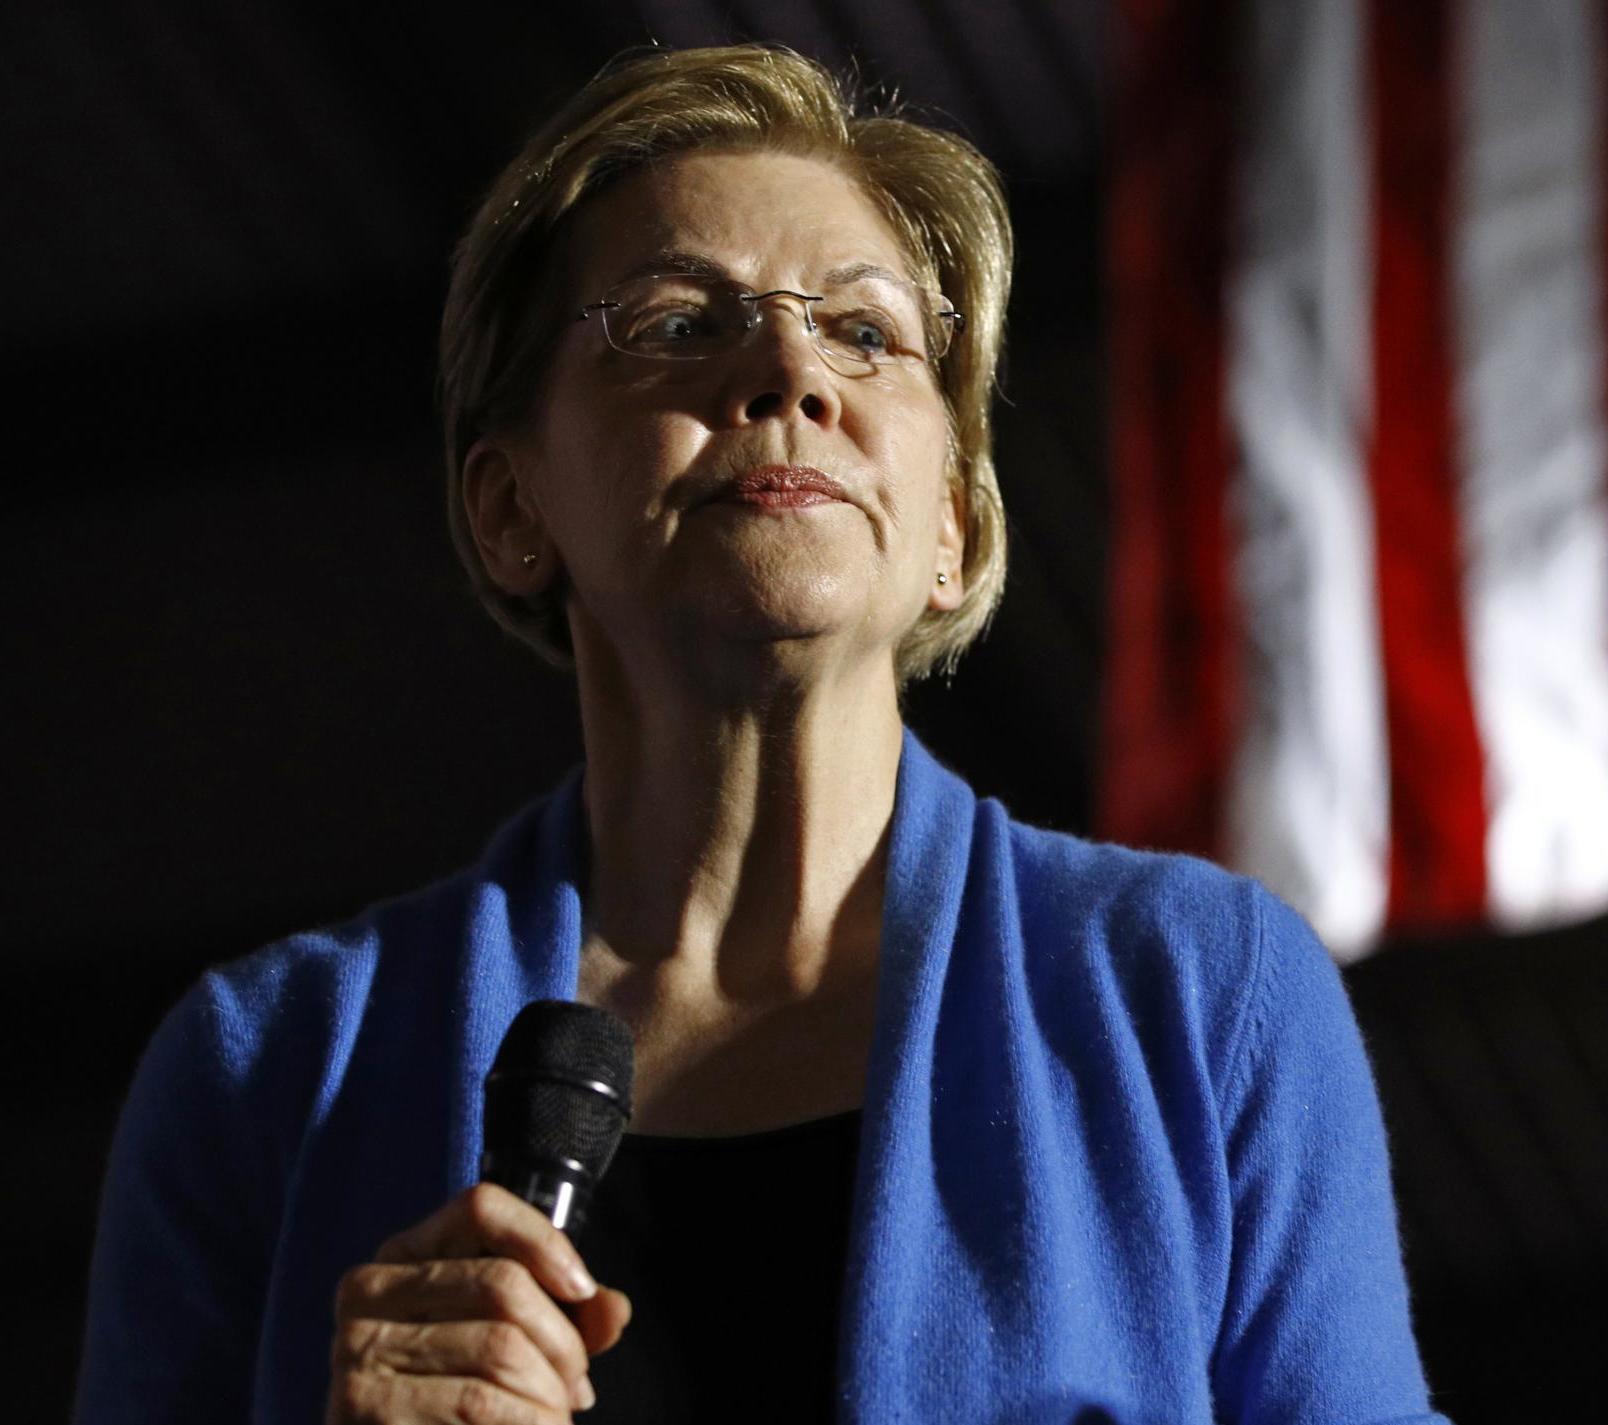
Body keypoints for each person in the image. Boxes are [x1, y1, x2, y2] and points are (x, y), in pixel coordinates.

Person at [74, 44, 1447, 1425]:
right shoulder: (266, 1069)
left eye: (864, 331)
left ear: (954, 533)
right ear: (510, 508)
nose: (791, 368)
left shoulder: (1202, 995)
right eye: (678, 323)